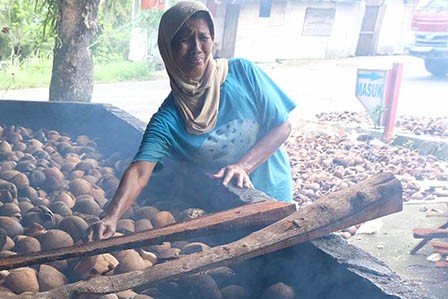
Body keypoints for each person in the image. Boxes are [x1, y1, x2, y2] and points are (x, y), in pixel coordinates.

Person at [88, 0, 295, 241]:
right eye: (184, 40)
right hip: (227, 210)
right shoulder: (168, 120)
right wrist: (111, 216)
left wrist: (243, 166)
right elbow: (139, 172)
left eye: (203, 37)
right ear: (168, 48)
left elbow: (282, 126)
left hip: (274, 195)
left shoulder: (243, 73)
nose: (196, 47)